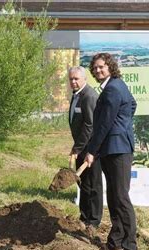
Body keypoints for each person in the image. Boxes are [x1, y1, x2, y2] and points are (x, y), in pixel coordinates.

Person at [85, 53, 138, 250]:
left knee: (121, 199)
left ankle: (130, 247)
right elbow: (132, 105)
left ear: (110, 67)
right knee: (114, 197)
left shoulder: (113, 88)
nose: (98, 70)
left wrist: (91, 150)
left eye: (101, 67)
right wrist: (122, 124)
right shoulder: (115, 85)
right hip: (112, 148)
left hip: (118, 150)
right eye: (95, 68)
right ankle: (115, 242)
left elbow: (104, 124)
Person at [67, 66, 103, 236]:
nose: (73, 82)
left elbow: (89, 126)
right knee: (84, 183)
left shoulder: (89, 96)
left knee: (94, 184)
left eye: (76, 79)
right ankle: (84, 216)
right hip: (82, 147)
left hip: (92, 148)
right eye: (71, 79)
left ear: (84, 79)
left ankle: (94, 221)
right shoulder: (77, 95)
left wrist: (77, 148)